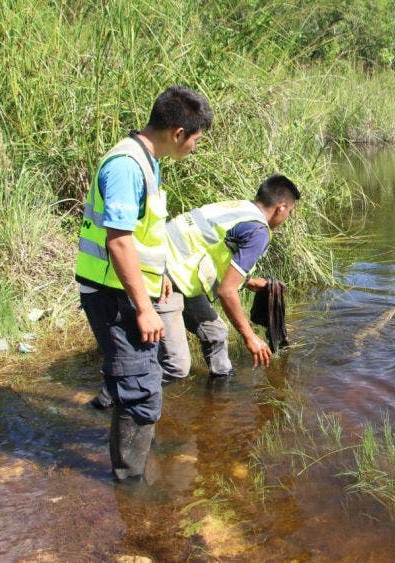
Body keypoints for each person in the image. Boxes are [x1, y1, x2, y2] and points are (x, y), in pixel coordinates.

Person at [75, 86, 212, 482]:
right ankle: (130, 486)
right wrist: (145, 307)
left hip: (128, 291)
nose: (195, 148)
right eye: (196, 140)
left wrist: (161, 275)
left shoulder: (149, 161)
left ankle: (135, 466)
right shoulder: (126, 166)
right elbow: (117, 242)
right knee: (140, 391)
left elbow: (142, 235)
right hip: (112, 295)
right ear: (177, 132)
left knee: (143, 380)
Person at [163, 174, 301, 377]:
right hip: (160, 274)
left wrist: (247, 281)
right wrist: (250, 336)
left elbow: (215, 249)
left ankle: (220, 394)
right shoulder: (258, 231)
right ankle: (119, 398)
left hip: (177, 269)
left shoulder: (241, 208)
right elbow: (227, 291)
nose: (287, 217)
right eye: (290, 211)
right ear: (281, 207)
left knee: (216, 333)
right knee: (176, 365)